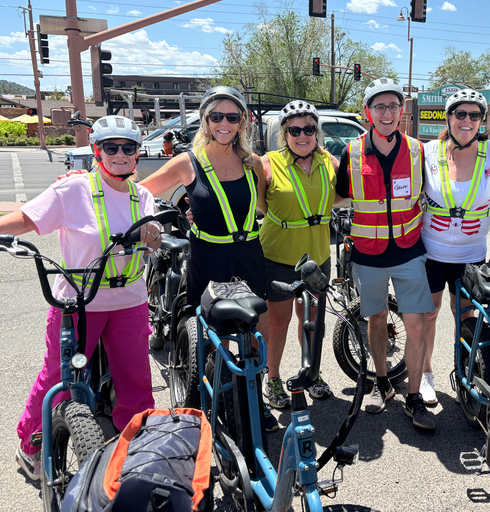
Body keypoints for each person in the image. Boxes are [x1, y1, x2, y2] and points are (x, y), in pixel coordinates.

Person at [0, 115, 160, 481]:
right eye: (111, 147)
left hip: (129, 301)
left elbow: (153, 239)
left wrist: (154, 236)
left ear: (137, 155)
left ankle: (135, 441)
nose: (120, 154)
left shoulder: (143, 195)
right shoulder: (73, 189)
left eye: (128, 148)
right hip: (78, 302)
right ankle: (32, 444)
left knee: (136, 379)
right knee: (59, 375)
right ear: (97, 151)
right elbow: (28, 218)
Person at [138, 86, 278, 431]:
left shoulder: (253, 162)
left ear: (243, 122)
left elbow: (261, 207)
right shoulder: (189, 161)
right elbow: (139, 191)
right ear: (205, 120)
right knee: (209, 334)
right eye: (217, 117)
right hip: (208, 254)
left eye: (233, 117)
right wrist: (87, 181)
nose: (224, 123)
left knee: (255, 334)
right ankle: (205, 399)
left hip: (247, 254)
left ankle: (253, 399)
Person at [335, 77, 436, 431]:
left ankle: (413, 397)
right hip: (369, 254)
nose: (388, 112)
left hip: (409, 251)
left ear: (402, 111)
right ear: (368, 113)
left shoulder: (419, 150)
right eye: (380, 106)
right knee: (376, 320)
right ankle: (381, 385)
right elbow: (332, 196)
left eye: (394, 106)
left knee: (416, 324)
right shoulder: (350, 153)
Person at [420, 89, 490, 406]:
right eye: (461, 114)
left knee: (467, 318)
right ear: (448, 117)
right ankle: (425, 376)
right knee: (428, 316)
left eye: (475, 115)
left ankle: (464, 373)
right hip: (431, 253)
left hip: (471, 255)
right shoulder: (428, 151)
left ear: (481, 121)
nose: (467, 121)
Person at [259, 100, 340, 409]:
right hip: (278, 256)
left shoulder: (327, 162)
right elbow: (254, 202)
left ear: (316, 131)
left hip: (317, 257)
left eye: (309, 129)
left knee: (313, 320)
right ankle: (274, 378)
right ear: (285, 133)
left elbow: (348, 192)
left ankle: (312, 372)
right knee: (277, 323)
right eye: (295, 129)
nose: (302, 135)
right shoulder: (268, 163)